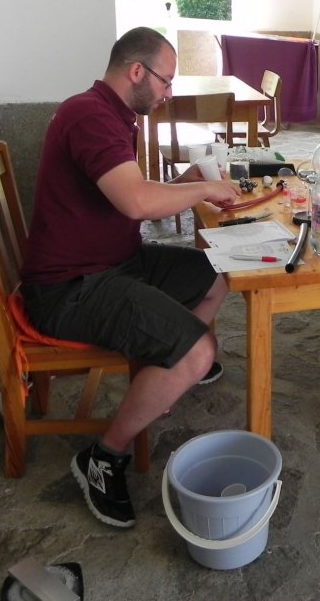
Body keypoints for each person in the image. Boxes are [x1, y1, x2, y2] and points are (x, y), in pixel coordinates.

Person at [19, 27, 241, 528]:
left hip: (115, 262)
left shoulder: (111, 114)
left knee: (220, 270)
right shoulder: (89, 116)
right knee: (198, 350)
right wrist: (204, 191)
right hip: (71, 289)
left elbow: (129, 191)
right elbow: (137, 202)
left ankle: (168, 364)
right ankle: (103, 457)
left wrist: (183, 182)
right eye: (165, 81)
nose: (168, 93)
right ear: (136, 71)